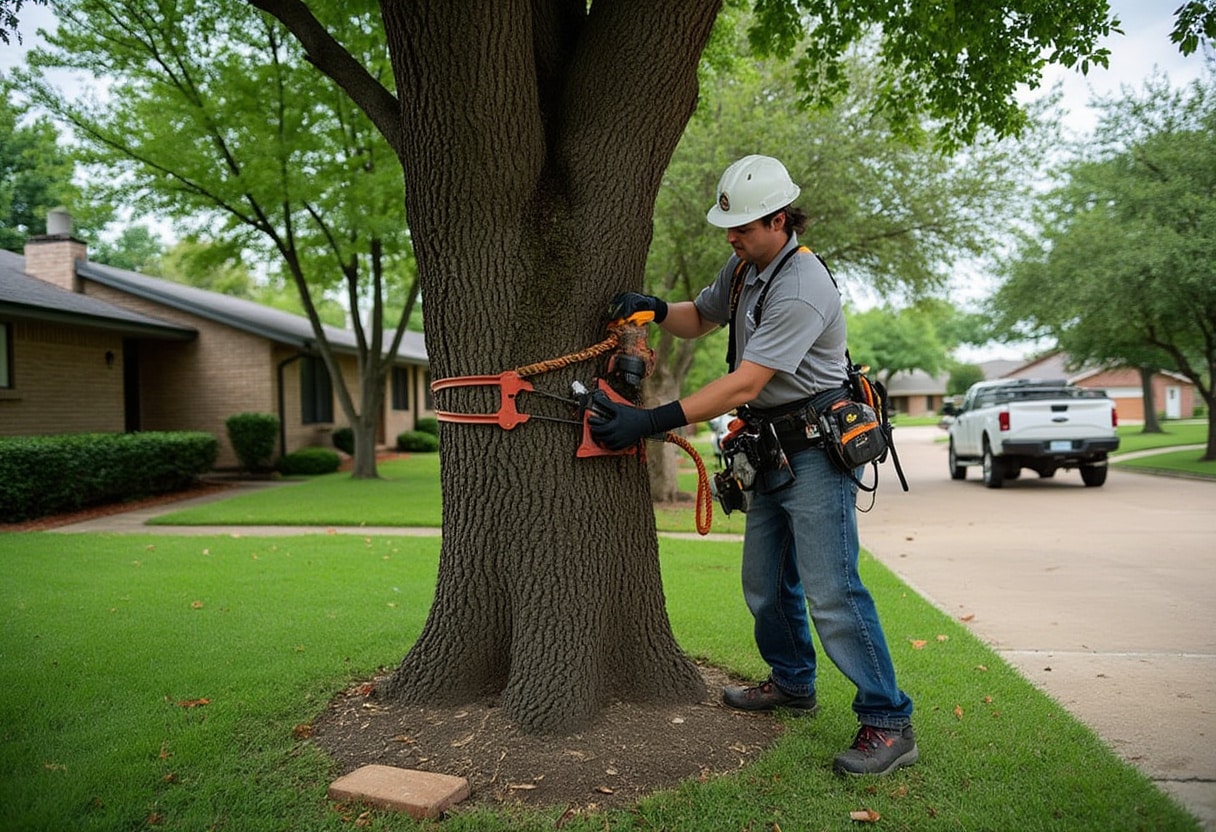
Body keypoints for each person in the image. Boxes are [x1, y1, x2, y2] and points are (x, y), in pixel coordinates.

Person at [589, 154, 917, 776]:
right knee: (766, 585)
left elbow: (745, 383)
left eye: (741, 227)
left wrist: (653, 421)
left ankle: (889, 721)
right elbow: (700, 319)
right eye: (728, 227)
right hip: (769, 450)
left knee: (834, 594)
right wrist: (658, 308)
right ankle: (793, 684)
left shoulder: (802, 283)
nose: (731, 237)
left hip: (817, 452)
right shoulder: (745, 268)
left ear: (779, 219)